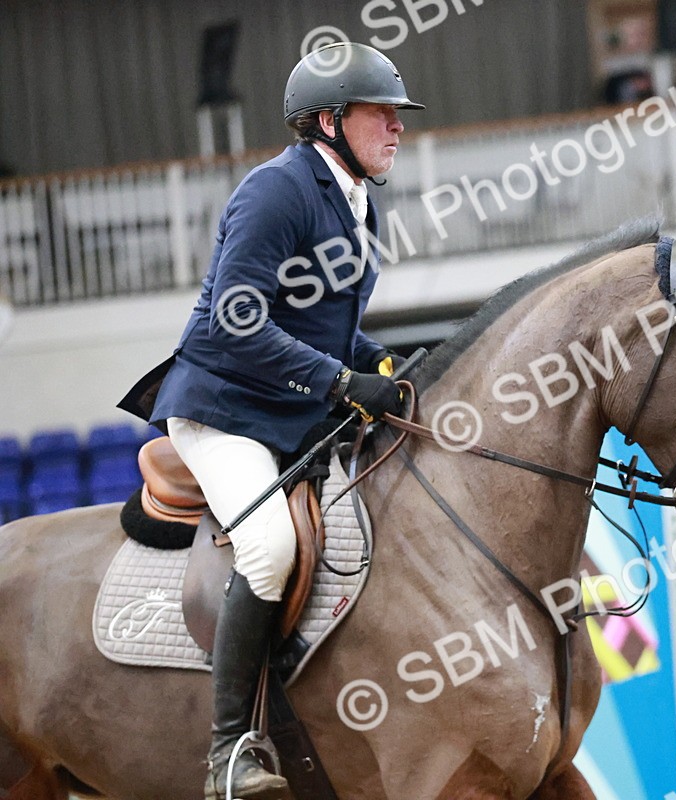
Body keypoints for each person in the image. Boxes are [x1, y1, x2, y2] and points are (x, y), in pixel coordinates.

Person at [119, 42, 423, 800]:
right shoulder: (275, 191)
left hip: (288, 406)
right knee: (270, 544)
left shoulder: (355, 201)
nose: (396, 128)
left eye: (397, 116)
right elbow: (235, 321)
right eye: (381, 113)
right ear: (328, 121)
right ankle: (229, 751)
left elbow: (324, 327)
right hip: (224, 407)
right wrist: (340, 380)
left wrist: (380, 364)